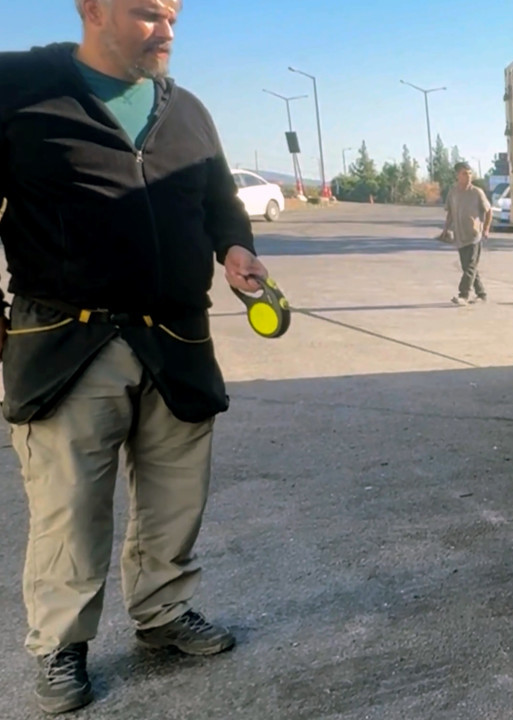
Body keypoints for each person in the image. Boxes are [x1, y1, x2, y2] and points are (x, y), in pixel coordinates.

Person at [0, 0, 269, 714]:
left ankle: (163, 612)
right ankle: (61, 645)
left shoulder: (189, 111)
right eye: (148, 13)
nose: (168, 31)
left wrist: (235, 247)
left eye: (174, 16)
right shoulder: (19, 86)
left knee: (176, 496)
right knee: (68, 508)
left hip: (175, 340)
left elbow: (221, 203)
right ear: (92, 9)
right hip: (65, 342)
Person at [441, 161, 493, 305]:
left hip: (474, 235)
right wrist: (445, 229)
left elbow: (489, 211)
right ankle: (481, 293)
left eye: (470, 173)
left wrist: (486, 229)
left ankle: (463, 295)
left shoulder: (477, 192)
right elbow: (450, 212)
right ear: (457, 175)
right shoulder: (453, 192)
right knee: (468, 267)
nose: (468, 176)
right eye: (465, 173)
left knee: (470, 267)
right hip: (460, 235)